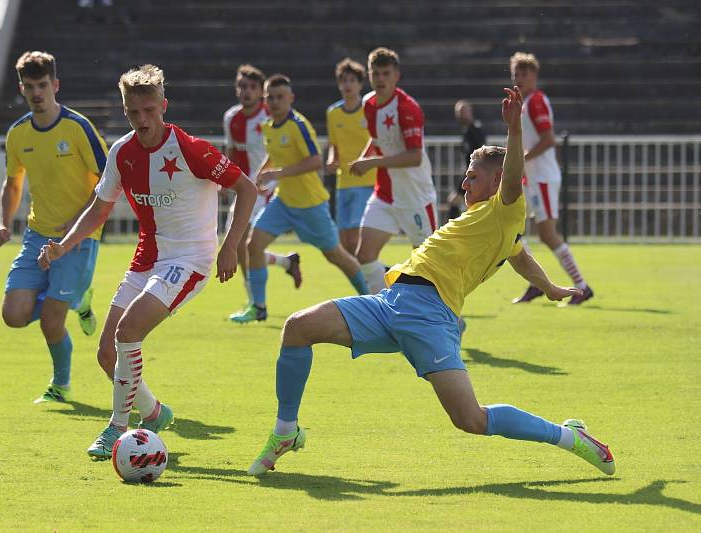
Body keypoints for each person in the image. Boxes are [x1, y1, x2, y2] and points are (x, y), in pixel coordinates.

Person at [247, 86, 615, 479]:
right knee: (298, 327)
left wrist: (513, 130)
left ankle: (570, 436)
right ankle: (286, 432)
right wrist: (550, 287)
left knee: (471, 419)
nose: (464, 184)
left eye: (473, 176)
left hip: (430, 316)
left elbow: (513, 180)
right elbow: (519, 255)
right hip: (391, 302)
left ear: (496, 182)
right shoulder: (492, 224)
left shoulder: (505, 208)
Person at [37, 64, 256, 460]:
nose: (142, 120)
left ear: (163, 107)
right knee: (106, 355)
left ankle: (117, 427)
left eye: (149, 111)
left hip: (191, 260)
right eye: (133, 113)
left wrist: (231, 246)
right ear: (125, 111)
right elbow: (99, 209)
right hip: (147, 260)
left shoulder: (190, 148)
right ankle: (154, 412)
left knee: (129, 329)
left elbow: (246, 188)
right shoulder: (122, 152)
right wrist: (63, 246)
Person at [0, 51, 107, 404]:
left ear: (55, 85)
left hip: (78, 236)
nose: (37, 92)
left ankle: (60, 386)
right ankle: (76, 297)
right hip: (37, 234)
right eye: (30, 87)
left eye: (43, 85)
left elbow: (109, 180)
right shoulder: (18, 134)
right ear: (22, 89)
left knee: (50, 323)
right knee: (13, 315)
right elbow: (13, 183)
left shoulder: (78, 128)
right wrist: (3, 223)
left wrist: (78, 222)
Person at [230, 74, 368, 324]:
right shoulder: (268, 126)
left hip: (310, 205)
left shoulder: (298, 125)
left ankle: (370, 300)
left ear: (291, 98)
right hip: (284, 202)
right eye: (270, 97)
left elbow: (316, 161)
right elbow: (274, 154)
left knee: (335, 254)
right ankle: (258, 306)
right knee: (253, 245)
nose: (274, 102)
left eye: (280, 97)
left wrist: (278, 173)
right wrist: (263, 172)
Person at [349, 47, 439, 294]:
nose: (380, 79)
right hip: (385, 194)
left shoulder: (407, 108)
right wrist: (365, 156)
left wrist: (373, 163)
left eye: (385, 73)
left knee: (429, 268)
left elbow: (414, 157)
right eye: (375, 73)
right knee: (365, 255)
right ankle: (383, 310)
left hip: (415, 197)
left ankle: (452, 321)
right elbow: (378, 139)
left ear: (396, 75)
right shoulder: (368, 104)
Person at [509, 52, 593, 305]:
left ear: (534, 76)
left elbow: (549, 139)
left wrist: (521, 159)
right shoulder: (523, 102)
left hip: (543, 177)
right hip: (532, 178)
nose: (520, 78)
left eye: (525, 73)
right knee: (514, 229)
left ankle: (581, 286)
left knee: (547, 234)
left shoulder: (536, 101)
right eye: (516, 73)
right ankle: (536, 283)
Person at [223, 64, 301, 319]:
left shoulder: (273, 114)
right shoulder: (231, 118)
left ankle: (256, 305)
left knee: (241, 243)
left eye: (252, 87)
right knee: (239, 247)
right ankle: (285, 264)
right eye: (242, 86)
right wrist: (225, 181)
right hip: (245, 189)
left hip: (268, 189)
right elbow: (233, 152)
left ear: (261, 92)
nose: (246, 92)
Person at [325, 58, 376, 255]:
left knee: (355, 235)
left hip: (366, 179)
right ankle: (367, 279)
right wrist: (331, 159)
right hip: (343, 180)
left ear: (360, 84)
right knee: (344, 238)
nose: (348, 85)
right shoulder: (333, 113)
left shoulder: (368, 109)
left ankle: (368, 282)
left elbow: (376, 139)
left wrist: (364, 160)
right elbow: (334, 145)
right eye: (344, 81)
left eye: (352, 81)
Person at [449, 99, 486, 220]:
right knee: (463, 203)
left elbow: (481, 151)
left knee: (456, 201)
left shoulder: (475, 130)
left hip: (473, 173)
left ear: (470, 112)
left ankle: (453, 232)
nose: (460, 114)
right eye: (458, 112)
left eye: (463, 111)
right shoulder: (466, 130)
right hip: (468, 173)